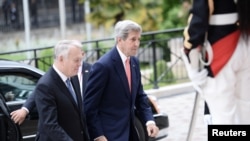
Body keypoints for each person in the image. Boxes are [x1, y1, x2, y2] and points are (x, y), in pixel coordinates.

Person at [84, 20, 159, 141]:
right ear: (119, 40)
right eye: (133, 39)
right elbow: (90, 107)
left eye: (138, 39)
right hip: (109, 135)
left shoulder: (134, 62)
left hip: (131, 132)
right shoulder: (103, 66)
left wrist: (149, 121)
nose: (137, 44)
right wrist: (98, 135)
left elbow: (140, 96)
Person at [182, 0, 250, 124]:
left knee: (223, 117)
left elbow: (198, 19)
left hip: (222, 47)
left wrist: (191, 56)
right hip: (246, 43)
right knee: (245, 111)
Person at [10, 49, 92, 126]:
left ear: (82, 54)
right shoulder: (62, 71)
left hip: (87, 119)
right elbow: (41, 87)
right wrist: (25, 109)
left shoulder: (91, 69)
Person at [34, 40, 89, 140]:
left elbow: (80, 114)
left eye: (81, 60)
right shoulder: (45, 86)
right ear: (61, 59)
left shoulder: (73, 77)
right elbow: (50, 125)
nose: (80, 64)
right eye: (76, 60)